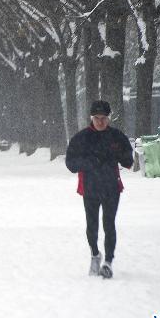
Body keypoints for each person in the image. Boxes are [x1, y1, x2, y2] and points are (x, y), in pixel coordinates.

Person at [65, 100, 134, 279]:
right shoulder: (81, 138)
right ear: (91, 118)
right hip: (90, 187)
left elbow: (129, 161)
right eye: (97, 118)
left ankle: (108, 262)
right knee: (92, 225)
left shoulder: (117, 137)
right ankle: (95, 254)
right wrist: (89, 163)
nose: (100, 122)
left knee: (109, 224)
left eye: (104, 118)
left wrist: (118, 155)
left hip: (112, 188)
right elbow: (70, 163)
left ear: (109, 118)